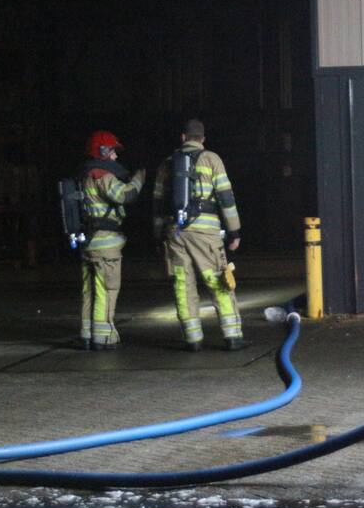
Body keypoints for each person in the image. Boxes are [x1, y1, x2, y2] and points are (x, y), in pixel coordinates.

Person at [153, 119, 245, 351]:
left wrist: (158, 236)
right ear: (203, 139)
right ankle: (232, 336)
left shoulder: (167, 163)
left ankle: (192, 339)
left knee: (183, 285)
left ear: (183, 137)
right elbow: (226, 198)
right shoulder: (212, 159)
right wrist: (234, 231)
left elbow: (157, 204)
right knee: (217, 281)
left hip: (175, 233)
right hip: (206, 233)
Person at [79, 130, 145, 351]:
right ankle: (103, 336)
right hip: (105, 244)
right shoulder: (102, 175)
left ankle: (87, 333)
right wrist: (138, 180)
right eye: (114, 152)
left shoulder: (85, 175)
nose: (116, 157)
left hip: (88, 243)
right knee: (107, 289)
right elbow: (125, 196)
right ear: (104, 151)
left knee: (90, 290)